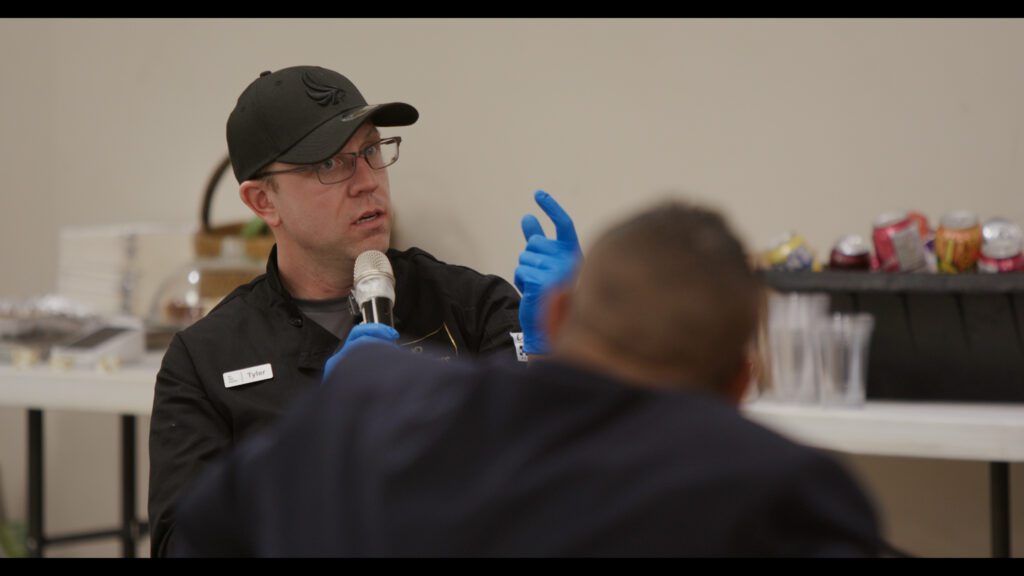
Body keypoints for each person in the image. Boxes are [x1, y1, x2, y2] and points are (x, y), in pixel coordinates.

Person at [170, 199, 882, 557]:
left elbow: (206, 536)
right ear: (740, 381)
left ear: (565, 309)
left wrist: (331, 429)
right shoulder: (775, 488)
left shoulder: (376, 407)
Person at [148, 66, 548, 557]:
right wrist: (315, 441)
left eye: (372, 151)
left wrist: (560, 349)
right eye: (331, 164)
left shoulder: (471, 306)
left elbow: (547, 486)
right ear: (262, 200)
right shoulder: (205, 360)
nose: (367, 182)